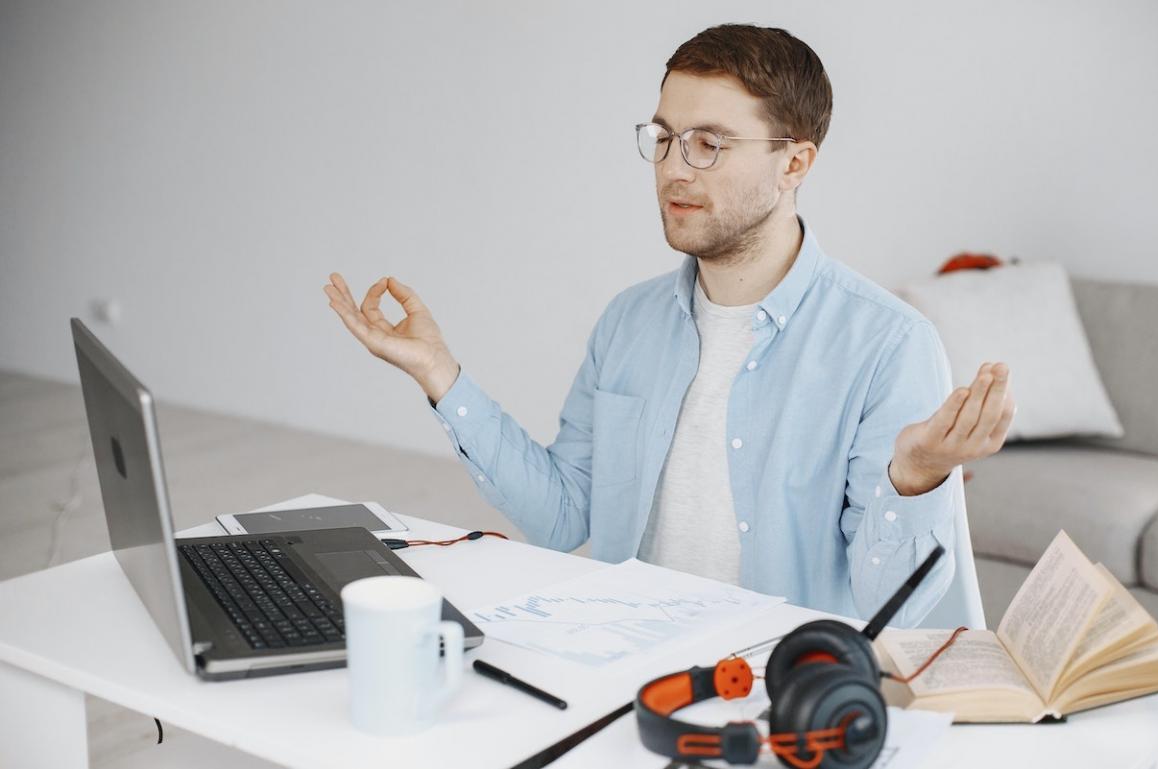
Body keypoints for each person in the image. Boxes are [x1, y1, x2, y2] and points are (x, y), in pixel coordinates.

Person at [324, 24, 1014, 626]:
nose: (673, 170)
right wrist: (440, 374)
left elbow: (891, 604)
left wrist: (916, 475)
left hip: (781, 689)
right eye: (663, 139)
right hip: (627, 661)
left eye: (708, 143)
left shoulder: (888, 344)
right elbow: (561, 516)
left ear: (794, 163)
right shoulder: (629, 321)